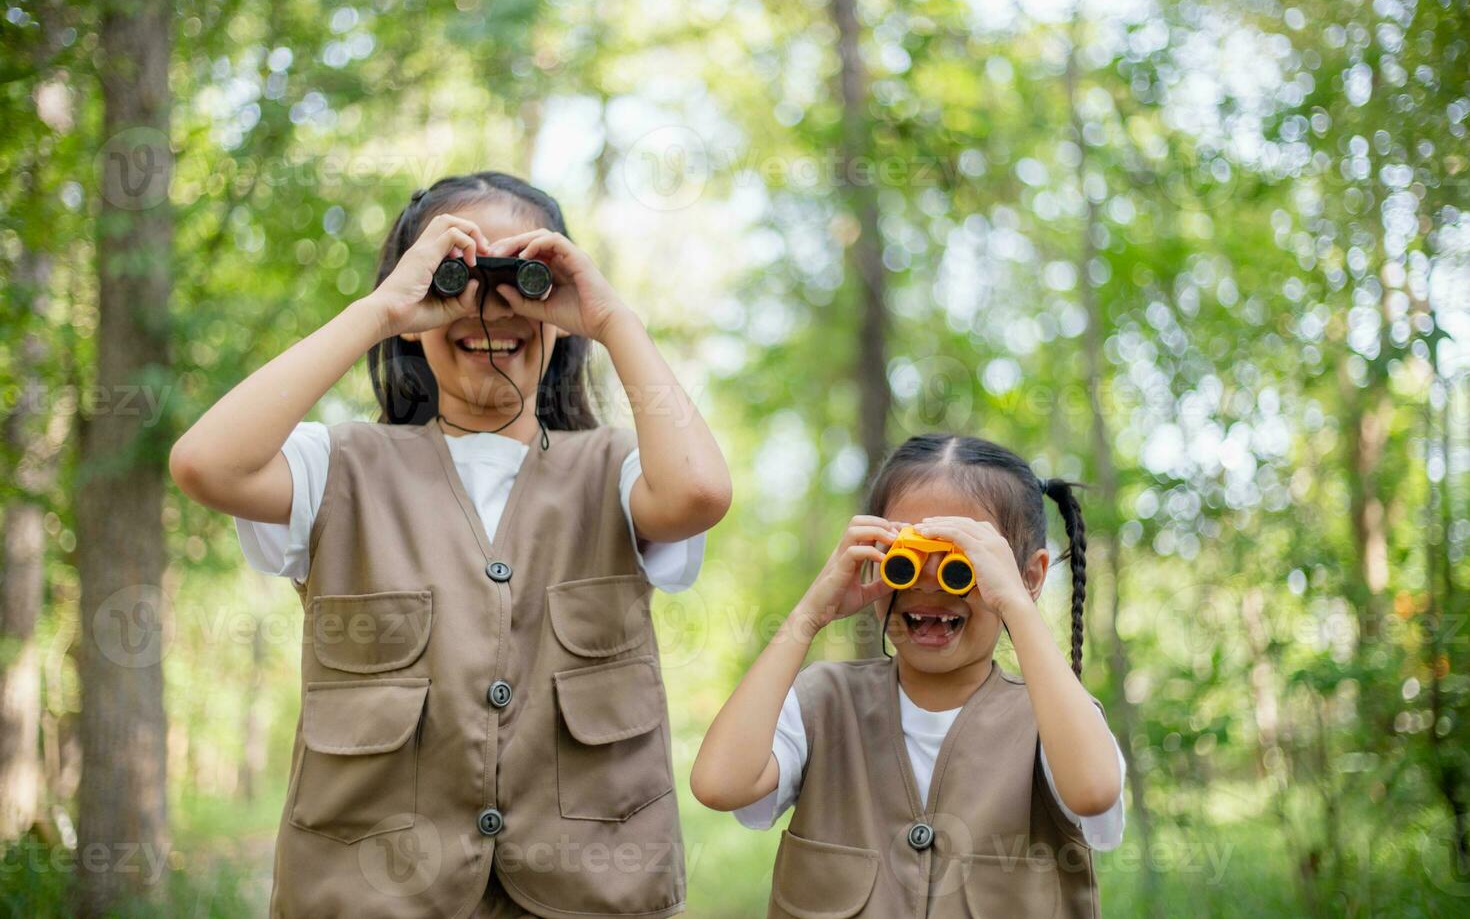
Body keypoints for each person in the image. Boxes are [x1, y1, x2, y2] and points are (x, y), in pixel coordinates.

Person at [171, 171, 731, 918]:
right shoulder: (337, 468)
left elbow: (700, 493)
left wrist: (611, 318)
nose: (490, 305)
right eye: (458, 276)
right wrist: (380, 310)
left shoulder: (620, 472)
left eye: (520, 277)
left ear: (558, 306)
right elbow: (205, 463)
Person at [691, 433, 1123, 917]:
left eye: (963, 563)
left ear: (1030, 575)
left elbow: (1092, 790)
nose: (929, 584)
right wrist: (810, 613)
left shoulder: (1054, 721)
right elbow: (718, 784)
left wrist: (1016, 605)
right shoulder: (824, 702)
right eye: (907, 559)